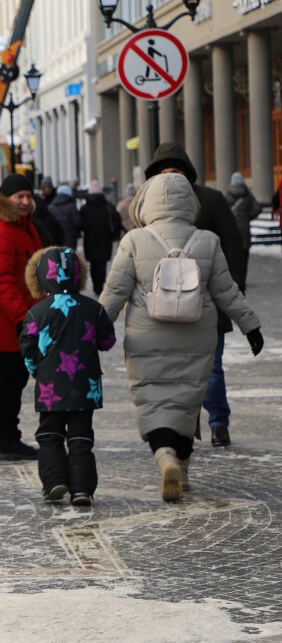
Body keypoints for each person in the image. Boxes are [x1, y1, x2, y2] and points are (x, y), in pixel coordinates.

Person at [100, 173, 262, 502]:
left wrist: (94, 328)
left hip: (146, 336)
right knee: (187, 404)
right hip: (196, 335)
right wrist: (251, 327)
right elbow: (226, 292)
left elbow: (114, 293)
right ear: (191, 202)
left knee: (152, 401)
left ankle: (165, 458)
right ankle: (183, 469)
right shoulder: (207, 240)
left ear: (146, 202)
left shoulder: (134, 241)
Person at [143, 142, 247, 447]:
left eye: (176, 171)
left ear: (187, 173)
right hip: (165, 303)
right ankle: (184, 425)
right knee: (174, 373)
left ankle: (218, 422)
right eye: (165, 172)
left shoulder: (211, 201)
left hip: (208, 301)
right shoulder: (149, 204)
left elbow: (232, 244)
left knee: (211, 369)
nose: (171, 177)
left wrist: (235, 290)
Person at [19, 247, 115, 506]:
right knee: (81, 436)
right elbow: (108, 341)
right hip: (86, 386)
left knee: (50, 434)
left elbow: (27, 347)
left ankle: (54, 481)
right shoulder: (93, 309)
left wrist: (35, 370)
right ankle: (82, 488)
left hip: (51, 385)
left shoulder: (35, 313)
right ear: (79, 275)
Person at [0, 174, 43, 461]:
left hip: (22, 316)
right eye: (19, 197)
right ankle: (5, 439)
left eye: (29, 196)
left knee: (13, 381)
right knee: (10, 381)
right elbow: (1, 280)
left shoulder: (22, 226)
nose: (26, 202)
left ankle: (1, 437)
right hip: (9, 321)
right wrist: (23, 316)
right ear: (6, 199)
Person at [79, 180, 123, 295]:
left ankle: (95, 286)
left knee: (93, 264)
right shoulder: (108, 206)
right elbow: (117, 219)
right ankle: (100, 285)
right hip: (105, 240)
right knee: (102, 263)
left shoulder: (84, 209)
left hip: (90, 240)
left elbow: (80, 224)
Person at [226, 172, 261, 273]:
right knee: (244, 255)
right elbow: (258, 208)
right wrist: (248, 217)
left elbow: (222, 211)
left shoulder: (227, 196)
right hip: (244, 229)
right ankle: (243, 278)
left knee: (234, 255)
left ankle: (236, 277)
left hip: (232, 230)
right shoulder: (248, 195)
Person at [48, 185, 82, 249]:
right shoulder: (72, 206)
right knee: (69, 257)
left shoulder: (51, 207)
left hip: (56, 241)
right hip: (70, 240)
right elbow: (78, 223)